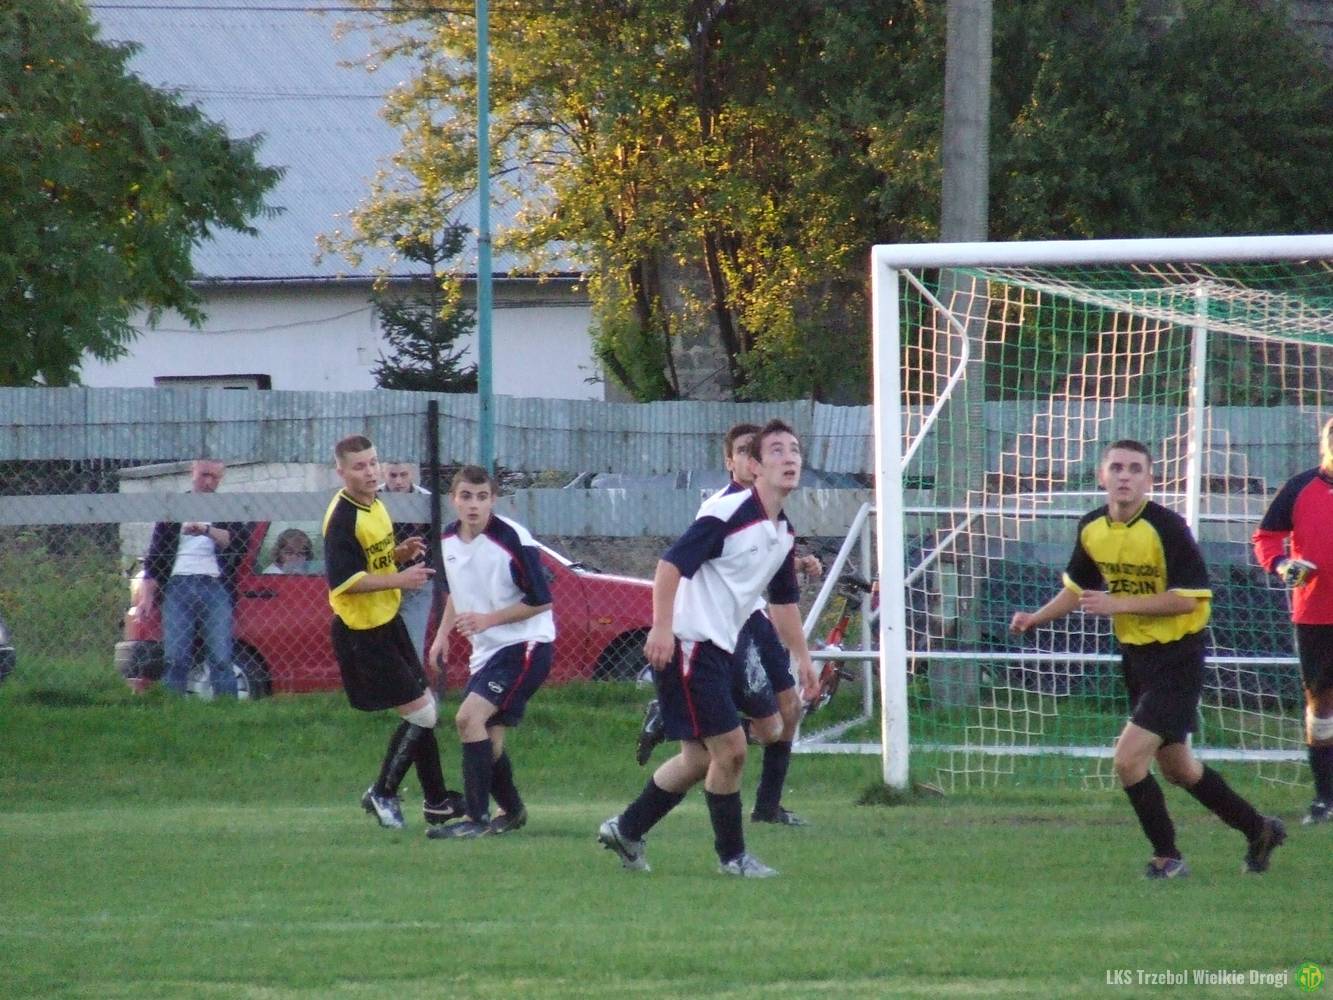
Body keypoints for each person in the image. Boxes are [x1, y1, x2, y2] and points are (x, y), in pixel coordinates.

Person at [1010, 439, 1286, 879]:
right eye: (1117, 467)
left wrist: (1117, 604)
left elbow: (1188, 600)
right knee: (1179, 768)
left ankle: (1167, 857)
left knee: (1127, 760)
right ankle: (1260, 829)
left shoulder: (1167, 528)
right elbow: (1078, 590)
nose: (1125, 476)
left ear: (1150, 480)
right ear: (1101, 476)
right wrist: (1035, 618)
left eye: (1135, 469)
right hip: (1137, 659)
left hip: (1179, 658)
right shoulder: (1092, 527)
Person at [598, 419, 820, 878]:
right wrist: (662, 629)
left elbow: (782, 603)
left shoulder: (782, 532)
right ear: (755, 466)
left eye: (795, 450)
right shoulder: (727, 512)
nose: (790, 458)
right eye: (777, 451)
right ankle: (733, 858)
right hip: (690, 645)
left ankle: (627, 828)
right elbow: (669, 567)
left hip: (719, 648)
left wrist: (803, 659)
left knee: (700, 759)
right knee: (732, 750)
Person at [323, 434, 463, 832]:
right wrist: (400, 578)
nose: (370, 472)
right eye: (359, 466)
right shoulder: (342, 517)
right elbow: (345, 582)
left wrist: (397, 554)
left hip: (387, 622)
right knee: (423, 713)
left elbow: (371, 558)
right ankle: (382, 792)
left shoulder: (376, 504)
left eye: (373, 463)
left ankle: (437, 802)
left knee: (425, 710)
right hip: (362, 633)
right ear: (341, 472)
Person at [426, 465, 555, 839]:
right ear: (454, 500)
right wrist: (442, 635)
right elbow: (457, 590)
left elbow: (542, 601)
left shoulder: (512, 539)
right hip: (488, 651)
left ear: (493, 500)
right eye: (466, 496)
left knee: (468, 719)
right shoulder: (447, 539)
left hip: (526, 645)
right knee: (488, 740)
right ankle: (511, 811)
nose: (474, 505)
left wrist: (488, 620)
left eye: (482, 497)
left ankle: (476, 818)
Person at [1252, 416, 1333, 825]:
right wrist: (1283, 565)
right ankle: (1325, 798)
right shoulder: (1300, 487)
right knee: (1321, 707)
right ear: (1324, 443)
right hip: (1315, 615)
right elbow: (1266, 538)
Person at [136, 459, 248, 698]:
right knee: (176, 657)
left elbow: (238, 542)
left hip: (215, 586)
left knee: (220, 656)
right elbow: (155, 556)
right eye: (204, 475)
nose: (208, 482)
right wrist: (147, 596)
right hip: (178, 586)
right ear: (192, 472)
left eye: (215, 477)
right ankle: (172, 706)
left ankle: (226, 706)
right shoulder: (175, 506)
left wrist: (206, 530)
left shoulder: (226, 507)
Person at [379, 461, 434, 665]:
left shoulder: (425, 499)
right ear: (384, 474)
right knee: (381, 643)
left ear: (412, 474)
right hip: (383, 580)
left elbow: (434, 543)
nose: (398, 481)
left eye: (403, 475)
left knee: (412, 642)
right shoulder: (374, 498)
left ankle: (413, 680)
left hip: (416, 581)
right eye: (393, 476)